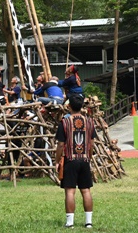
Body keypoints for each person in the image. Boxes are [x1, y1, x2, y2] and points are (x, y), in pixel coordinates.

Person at [55, 95, 96, 229]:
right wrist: (88, 157)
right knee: (86, 191)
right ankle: (88, 222)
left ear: (69, 106)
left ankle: (70, 222)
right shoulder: (89, 122)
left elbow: (61, 145)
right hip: (84, 160)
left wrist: (57, 161)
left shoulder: (64, 122)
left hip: (70, 160)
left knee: (70, 191)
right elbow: (91, 143)